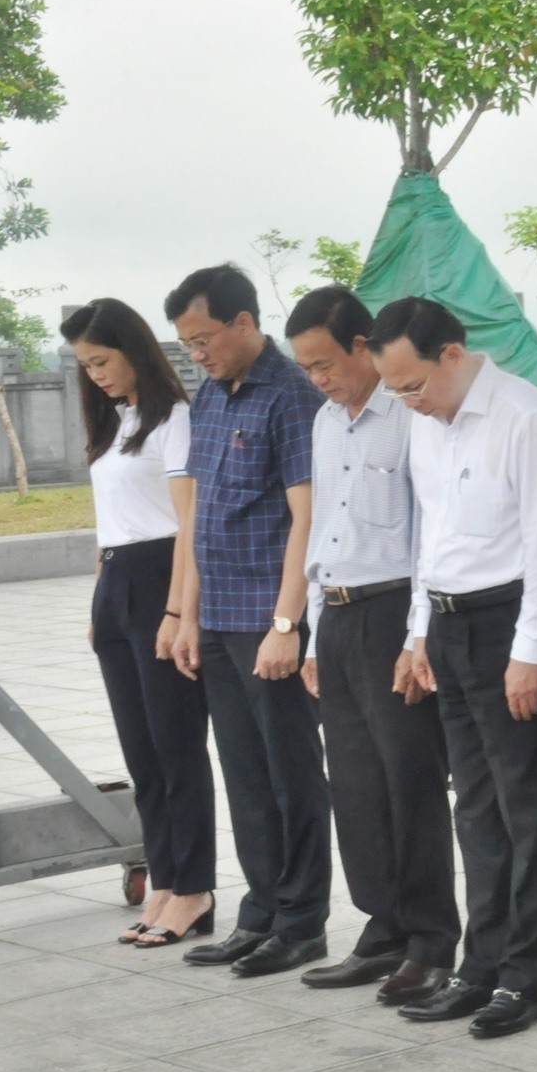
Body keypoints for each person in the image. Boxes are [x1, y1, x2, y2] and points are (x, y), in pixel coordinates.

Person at [370, 296, 537, 1040]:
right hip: (448, 628)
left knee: (529, 811)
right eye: (393, 390)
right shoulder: (427, 426)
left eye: (412, 385)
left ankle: (527, 978)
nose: (406, 402)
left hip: (511, 626)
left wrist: (531, 651)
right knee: (476, 810)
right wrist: (418, 635)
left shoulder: (524, 417)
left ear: (452, 355)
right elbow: (432, 539)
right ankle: (479, 967)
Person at [284, 287, 458, 1008]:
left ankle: (430, 941)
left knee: (408, 781)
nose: (319, 378)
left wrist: (419, 638)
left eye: (326, 362)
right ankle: (380, 928)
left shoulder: (409, 417)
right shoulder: (326, 424)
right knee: (353, 784)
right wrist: (313, 634)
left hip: (394, 614)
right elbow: (324, 529)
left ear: (363, 347)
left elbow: (429, 533)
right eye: (306, 368)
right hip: (341, 613)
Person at [166, 264, 331, 978]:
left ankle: (302, 922)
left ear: (243, 322)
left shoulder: (290, 396)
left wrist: (286, 624)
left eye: (205, 338)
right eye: (187, 344)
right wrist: (188, 616)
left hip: (270, 619)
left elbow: (306, 517)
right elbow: (199, 516)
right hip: (221, 618)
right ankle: (260, 910)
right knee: (244, 773)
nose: (197, 353)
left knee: (292, 772)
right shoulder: (208, 396)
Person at [62, 298, 216, 949]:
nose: (94, 374)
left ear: (134, 350)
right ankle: (163, 880)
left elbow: (189, 525)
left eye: (101, 360)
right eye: (84, 365)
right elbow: (110, 522)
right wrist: (101, 601)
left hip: (162, 582)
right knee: (141, 755)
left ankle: (195, 889)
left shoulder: (174, 419)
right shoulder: (113, 423)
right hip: (117, 584)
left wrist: (180, 612)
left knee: (177, 747)